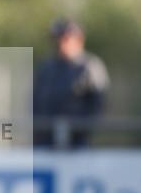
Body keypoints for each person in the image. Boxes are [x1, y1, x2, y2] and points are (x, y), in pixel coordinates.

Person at [32, 18, 109, 148]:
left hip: (77, 143)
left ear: (79, 40)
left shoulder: (90, 67)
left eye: (65, 38)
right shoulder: (47, 67)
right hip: (45, 140)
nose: (60, 43)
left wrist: (78, 128)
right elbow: (35, 101)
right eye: (57, 38)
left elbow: (98, 105)